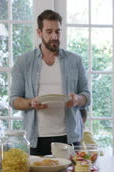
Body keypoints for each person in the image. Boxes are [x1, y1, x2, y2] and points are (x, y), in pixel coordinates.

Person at [9, 10, 90, 156]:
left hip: (69, 137)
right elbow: (14, 100)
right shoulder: (24, 62)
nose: (54, 36)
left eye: (58, 31)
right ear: (39, 32)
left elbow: (87, 96)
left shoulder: (75, 60)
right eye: (49, 31)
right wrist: (31, 103)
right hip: (36, 139)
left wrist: (77, 99)